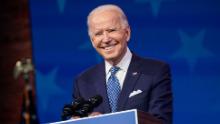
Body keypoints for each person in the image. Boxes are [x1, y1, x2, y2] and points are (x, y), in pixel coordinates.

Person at [73, 4, 172, 124]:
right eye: (98, 34)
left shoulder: (155, 71)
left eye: (111, 30)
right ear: (92, 41)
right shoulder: (83, 81)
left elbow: (161, 122)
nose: (106, 39)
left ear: (127, 33)